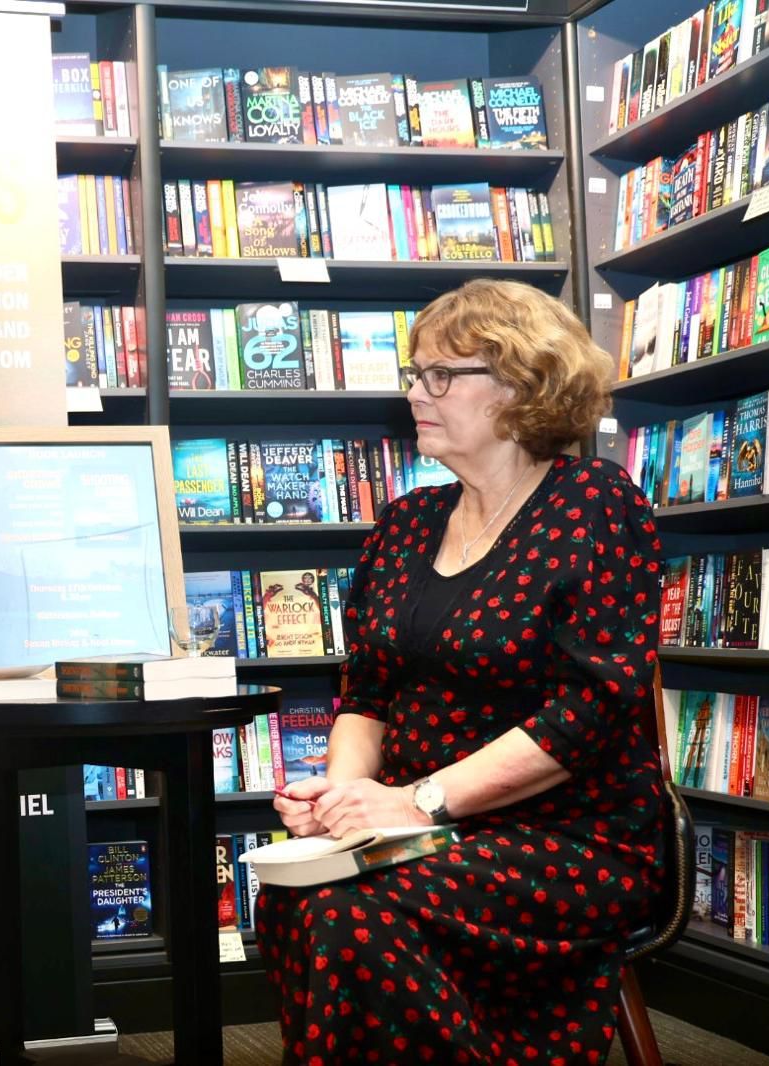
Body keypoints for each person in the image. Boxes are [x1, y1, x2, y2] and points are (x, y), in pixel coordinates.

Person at [255, 279, 668, 1064]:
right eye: (415, 374)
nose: (417, 392)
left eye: (442, 374)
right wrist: (345, 800)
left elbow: (588, 713)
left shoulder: (597, 504)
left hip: (565, 835)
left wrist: (419, 801)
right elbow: (367, 690)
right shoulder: (406, 522)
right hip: (411, 824)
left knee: (353, 911)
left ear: (520, 385)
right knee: (298, 892)